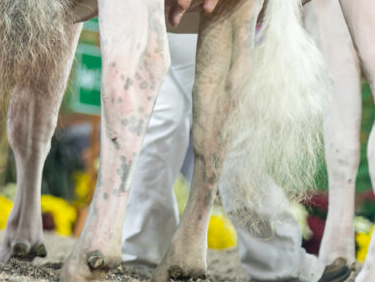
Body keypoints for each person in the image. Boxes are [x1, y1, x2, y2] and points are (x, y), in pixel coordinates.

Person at [123, 32, 347, 282]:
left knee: (161, 119)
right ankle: (281, 263)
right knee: (230, 130)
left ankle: (144, 250)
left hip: (154, 19)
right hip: (196, 23)